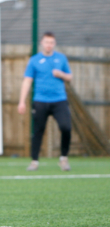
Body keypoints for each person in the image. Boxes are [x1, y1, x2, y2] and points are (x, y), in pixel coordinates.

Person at [18, 32, 73, 172]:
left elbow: (69, 76)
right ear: (42, 43)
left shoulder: (61, 59)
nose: (49, 45)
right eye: (46, 42)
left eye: (51, 42)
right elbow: (27, 80)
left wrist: (61, 74)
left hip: (59, 100)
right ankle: (34, 161)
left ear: (54, 44)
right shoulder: (34, 60)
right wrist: (22, 101)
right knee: (37, 131)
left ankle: (63, 159)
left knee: (66, 127)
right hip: (40, 101)